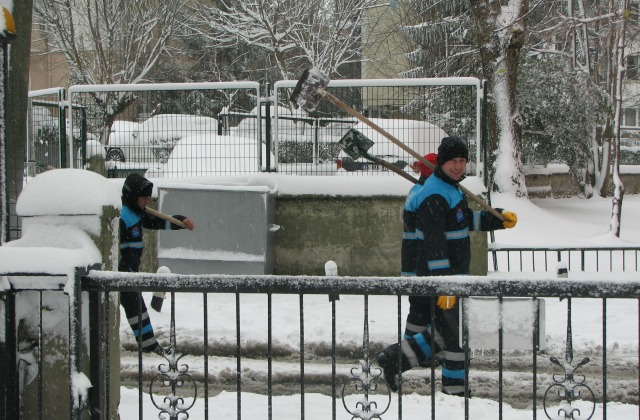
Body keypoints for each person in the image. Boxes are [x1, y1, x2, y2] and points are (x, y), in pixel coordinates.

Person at [378, 136, 518, 396]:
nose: (458, 166)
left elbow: (461, 222)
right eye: (453, 161)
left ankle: (395, 359)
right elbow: (434, 245)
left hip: (453, 277)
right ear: (442, 163)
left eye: (462, 161)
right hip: (442, 278)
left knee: (447, 332)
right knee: (453, 334)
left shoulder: (451, 189)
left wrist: (495, 220)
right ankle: (454, 390)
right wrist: (445, 285)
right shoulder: (434, 195)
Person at [119, 173, 195, 355]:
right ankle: (148, 346)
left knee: (136, 308)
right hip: (121, 273)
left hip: (128, 273)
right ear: (132, 197)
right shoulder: (122, 218)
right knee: (134, 307)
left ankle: (149, 345)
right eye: (144, 198)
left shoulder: (136, 214)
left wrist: (180, 221)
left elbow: (157, 221)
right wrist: (123, 269)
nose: (147, 201)